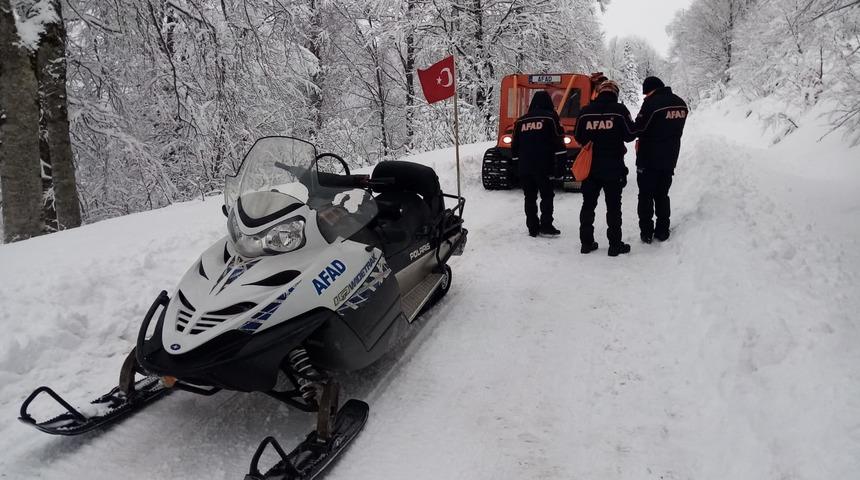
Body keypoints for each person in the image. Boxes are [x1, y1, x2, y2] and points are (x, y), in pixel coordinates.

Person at [573, 80, 636, 257]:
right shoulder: (620, 111)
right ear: (615, 93)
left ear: (599, 93)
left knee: (588, 205)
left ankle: (586, 243)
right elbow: (630, 135)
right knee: (614, 207)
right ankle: (615, 245)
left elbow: (577, 135)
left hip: (591, 167)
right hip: (614, 167)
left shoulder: (585, 112)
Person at [633, 76, 689, 243]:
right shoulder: (681, 103)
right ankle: (662, 230)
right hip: (670, 157)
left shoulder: (652, 103)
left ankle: (646, 232)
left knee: (645, 196)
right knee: (662, 195)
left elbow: (639, 127)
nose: (645, 97)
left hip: (648, 158)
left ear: (650, 90)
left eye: (646, 94)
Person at [511, 90, 566, 237]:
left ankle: (532, 227)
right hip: (544, 166)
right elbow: (559, 142)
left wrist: (516, 166)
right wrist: (561, 166)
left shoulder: (520, 121)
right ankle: (546, 225)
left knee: (529, 197)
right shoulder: (551, 118)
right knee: (547, 195)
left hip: (525, 166)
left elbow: (514, 147)